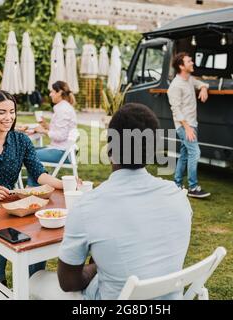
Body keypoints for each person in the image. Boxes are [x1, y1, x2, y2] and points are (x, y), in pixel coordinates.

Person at [29, 103, 192, 300]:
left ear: (109, 149)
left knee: (35, 279)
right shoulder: (177, 196)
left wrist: (96, 266)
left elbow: (68, 282)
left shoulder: (88, 206)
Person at [0, 89, 63, 285]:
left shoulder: (20, 140)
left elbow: (39, 173)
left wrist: (64, 184)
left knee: (36, 234)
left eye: (12, 111)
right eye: (2, 112)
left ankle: (32, 282)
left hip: (12, 209)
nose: (9, 117)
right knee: (8, 231)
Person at [167, 52, 211, 198]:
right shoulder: (175, 86)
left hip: (192, 124)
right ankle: (193, 187)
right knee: (195, 152)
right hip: (184, 126)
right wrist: (187, 129)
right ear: (181, 66)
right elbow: (176, 110)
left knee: (185, 155)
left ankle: (177, 184)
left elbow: (201, 83)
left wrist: (204, 88)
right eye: (189, 61)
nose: (192, 63)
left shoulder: (189, 79)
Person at [27, 81, 78, 186]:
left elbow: (60, 136)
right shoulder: (63, 107)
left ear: (59, 92)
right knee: (28, 151)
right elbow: (61, 130)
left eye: (52, 92)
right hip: (61, 149)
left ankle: (33, 188)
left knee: (29, 155)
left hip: (62, 152)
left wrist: (43, 131)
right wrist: (47, 125)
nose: (50, 94)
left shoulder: (63, 110)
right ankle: (37, 183)